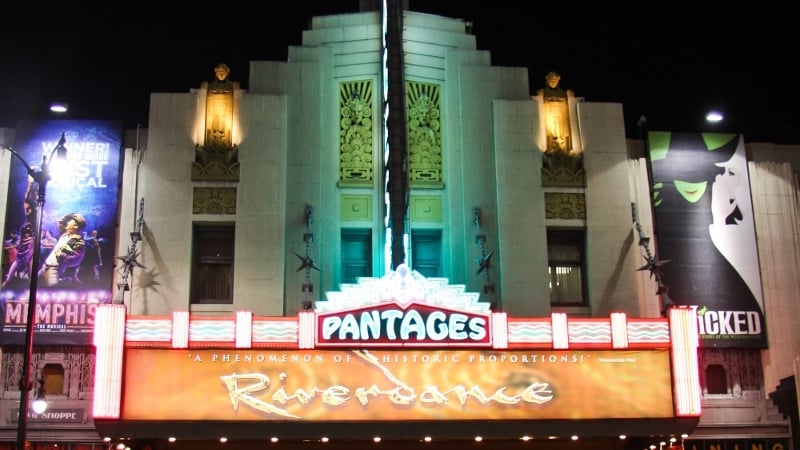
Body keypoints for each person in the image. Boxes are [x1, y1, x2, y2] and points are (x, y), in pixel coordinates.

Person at [1, 175, 38, 288]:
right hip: (28, 230)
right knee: (21, 258)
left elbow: (29, 197)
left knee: (30, 258)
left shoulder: (35, 205)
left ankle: (30, 281)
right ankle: (7, 280)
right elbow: (26, 196)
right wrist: (29, 182)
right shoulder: (30, 206)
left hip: (32, 231)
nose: (25, 209)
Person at [39, 213, 88, 287]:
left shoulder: (78, 240)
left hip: (54, 269)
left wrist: (64, 258)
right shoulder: (65, 235)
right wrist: (68, 216)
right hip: (47, 265)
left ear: (75, 226)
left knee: (49, 288)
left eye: (70, 222)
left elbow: (77, 259)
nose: (67, 223)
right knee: (38, 284)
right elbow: (59, 222)